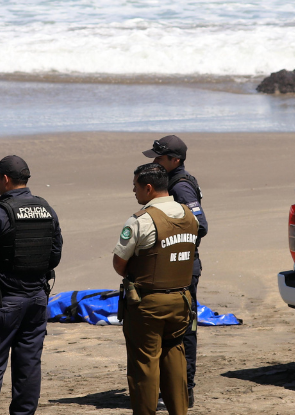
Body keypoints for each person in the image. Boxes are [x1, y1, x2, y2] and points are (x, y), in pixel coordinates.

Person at [0, 155, 62, 415]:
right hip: (37, 300)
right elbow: (55, 255)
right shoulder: (46, 209)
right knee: (28, 366)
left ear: (5, 179)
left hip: (3, 302)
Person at [113, 163, 197, 415]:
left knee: (144, 365)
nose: (134, 191)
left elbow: (119, 264)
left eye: (136, 186)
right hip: (181, 299)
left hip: (148, 303)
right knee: (175, 358)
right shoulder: (187, 215)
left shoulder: (142, 220)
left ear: (148, 188)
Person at [143, 135, 206, 407]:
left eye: (159, 158)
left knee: (184, 330)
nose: (155, 162)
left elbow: (200, 225)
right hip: (177, 266)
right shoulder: (170, 183)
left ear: (174, 160)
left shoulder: (181, 187)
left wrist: (167, 236)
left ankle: (185, 389)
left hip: (183, 268)